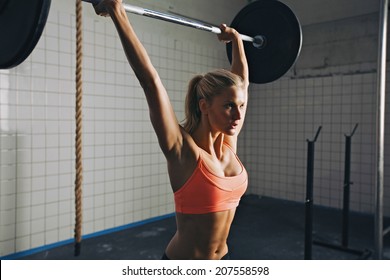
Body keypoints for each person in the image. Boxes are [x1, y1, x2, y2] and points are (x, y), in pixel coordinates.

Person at [93, 0, 249, 260]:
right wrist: (117, 11)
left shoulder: (228, 142)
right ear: (205, 106)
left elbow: (243, 83)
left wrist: (236, 40)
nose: (239, 114)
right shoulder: (182, 151)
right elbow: (150, 81)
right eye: (229, 106)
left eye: (241, 105)